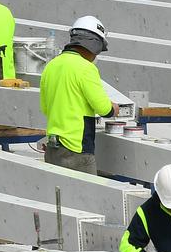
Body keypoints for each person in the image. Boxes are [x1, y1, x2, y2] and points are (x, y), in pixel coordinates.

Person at [39, 16, 119, 175]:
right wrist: (113, 108)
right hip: (77, 150)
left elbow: (45, 107)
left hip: (54, 148)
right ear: (93, 45)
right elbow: (104, 109)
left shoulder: (52, 65)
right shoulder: (86, 68)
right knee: (86, 197)